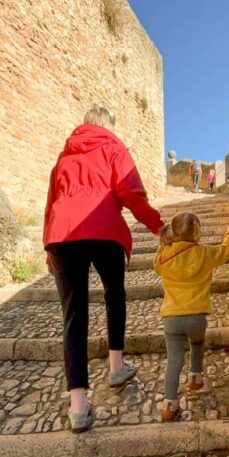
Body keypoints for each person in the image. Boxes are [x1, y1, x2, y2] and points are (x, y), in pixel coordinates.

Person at [44, 105, 164, 433]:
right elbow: (131, 192)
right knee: (115, 295)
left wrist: (48, 248)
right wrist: (157, 226)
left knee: (73, 313)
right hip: (105, 229)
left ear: (84, 125)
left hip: (63, 234)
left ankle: (78, 407)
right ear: (108, 125)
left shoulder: (64, 158)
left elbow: (52, 202)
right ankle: (115, 367)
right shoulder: (113, 147)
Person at [153, 213, 229, 421]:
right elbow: (225, 251)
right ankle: (195, 377)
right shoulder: (204, 253)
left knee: (174, 360)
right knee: (197, 344)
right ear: (198, 232)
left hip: (171, 319)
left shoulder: (164, 256)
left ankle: (169, 404)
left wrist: (164, 243)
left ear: (173, 232)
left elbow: (156, 265)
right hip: (196, 318)